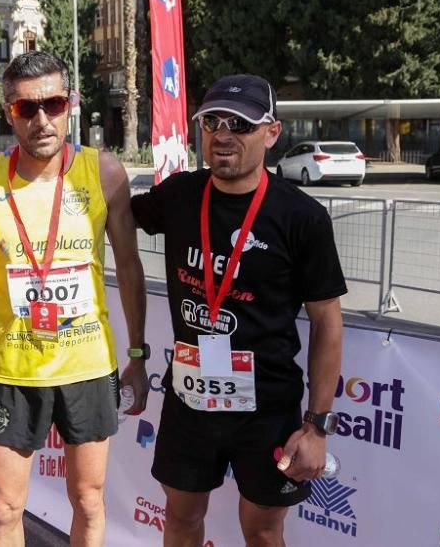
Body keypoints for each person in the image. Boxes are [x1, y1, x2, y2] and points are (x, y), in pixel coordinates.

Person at [129, 74, 346, 547]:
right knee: (181, 519)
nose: (223, 134)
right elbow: (111, 212)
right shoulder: (179, 195)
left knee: (264, 531)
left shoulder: (301, 217)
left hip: (267, 405)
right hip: (190, 397)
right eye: (212, 121)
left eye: (241, 124)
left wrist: (317, 424)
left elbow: (328, 319)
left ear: (271, 132)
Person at [0, 51, 149, 546]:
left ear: (72, 104)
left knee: (88, 500)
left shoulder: (104, 172)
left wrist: (139, 355)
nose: (42, 119)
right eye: (25, 109)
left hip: (88, 365)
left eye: (54, 103)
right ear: (7, 109)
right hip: (14, 372)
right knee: (4, 507)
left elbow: (128, 267)